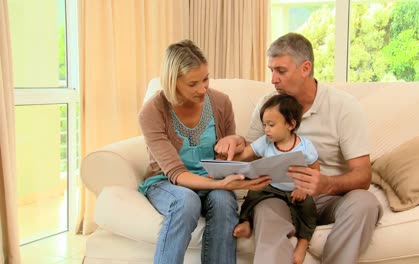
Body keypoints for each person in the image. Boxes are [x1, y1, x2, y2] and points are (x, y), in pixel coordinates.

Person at [218, 32, 383, 264]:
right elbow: (252, 151)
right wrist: (235, 142)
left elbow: (363, 175)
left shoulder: (344, 107)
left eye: (281, 71)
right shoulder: (269, 104)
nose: (273, 79)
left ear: (305, 68)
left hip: (328, 197)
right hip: (278, 194)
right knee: (265, 210)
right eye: (271, 71)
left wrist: (327, 183)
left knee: (365, 203)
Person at [138, 39, 271, 264]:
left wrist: (236, 141)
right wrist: (221, 184)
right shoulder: (152, 111)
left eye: (206, 79)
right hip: (167, 183)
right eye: (193, 84)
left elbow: (229, 158)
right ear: (173, 82)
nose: (203, 89)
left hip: (212, 178)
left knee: (223, 201)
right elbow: (176, 174)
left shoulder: (221, 102)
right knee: (187, 201)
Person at [231, 93, 320, 264]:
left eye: (271, 125)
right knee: (253, 194)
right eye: (264, 125)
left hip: (296, 190)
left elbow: (315, 171)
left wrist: (303, 189)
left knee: (309, 207)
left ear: (291, 124)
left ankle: (303, 242)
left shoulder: (305, 147)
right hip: (271, 189)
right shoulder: (265, 142)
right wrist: (227, 160)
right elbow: (245, 154)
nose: (266, 130)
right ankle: (246, 222)